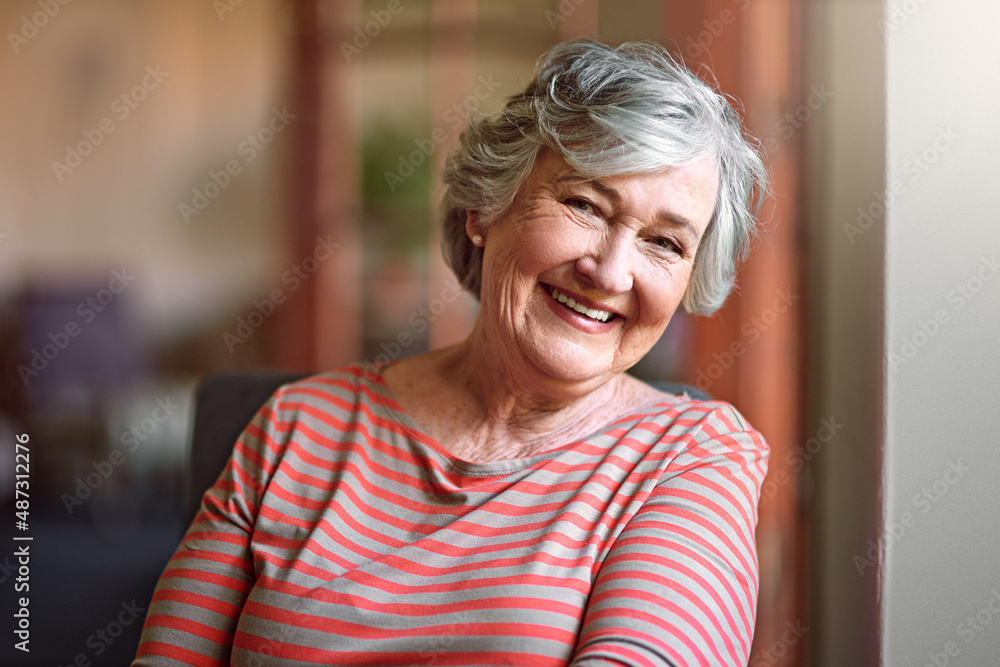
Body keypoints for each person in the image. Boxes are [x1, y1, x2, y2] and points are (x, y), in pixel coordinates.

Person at [133, 39, 769, 667]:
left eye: (664, 243)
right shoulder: (296, 426)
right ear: (483, 211)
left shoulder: (692, 459)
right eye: (584, 205)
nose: (610, 273)